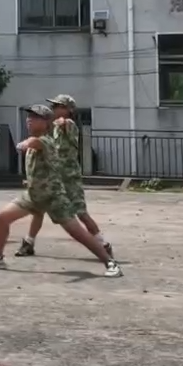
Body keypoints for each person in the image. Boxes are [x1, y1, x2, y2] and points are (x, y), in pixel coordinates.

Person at [0, 105, 121, 277]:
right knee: (3, 217)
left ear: (46, 122)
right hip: (33, 196)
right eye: (29, 116)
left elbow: (33, 143)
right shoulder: (36, 138)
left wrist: (24, 144)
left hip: (54, 197)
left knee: (78, 233)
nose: (29, 119)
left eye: (35, 117)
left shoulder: (45, 140)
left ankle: (110, 263)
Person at [15, 94, 114, 260]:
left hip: (69, 178)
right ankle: (28, 243)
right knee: (38, 210)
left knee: (81, 213)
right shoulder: (52, 131)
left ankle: (103, 245)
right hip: (54, 177)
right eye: (53, 107)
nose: (54, 109)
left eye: (58, 106)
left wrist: (46, 120)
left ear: (68, 110)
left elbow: (62, 122)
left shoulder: (68, 124)